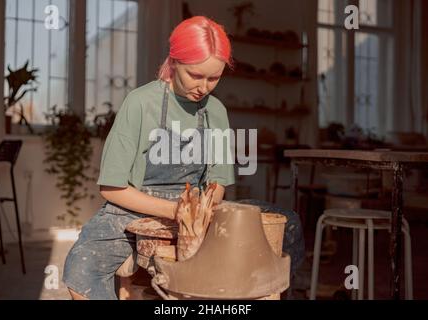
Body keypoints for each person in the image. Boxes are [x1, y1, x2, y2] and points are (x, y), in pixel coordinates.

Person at [62, 16, 304, 300]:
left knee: (288, 224)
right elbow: (113, 188)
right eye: (195, 75)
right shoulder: (140, 103)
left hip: (197, 207)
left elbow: (218, 183)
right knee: (81, 269)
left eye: (214, 78)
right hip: (136, 207)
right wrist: (174, 212)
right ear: (174, 62)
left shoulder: (216, 111)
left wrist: (202, 210)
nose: (204, 87)